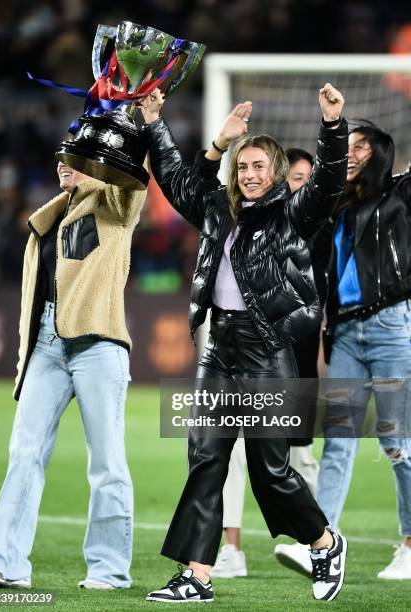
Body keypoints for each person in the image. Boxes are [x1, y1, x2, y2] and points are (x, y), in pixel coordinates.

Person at [139, 83, 349, 603]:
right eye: (243, 167)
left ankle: (324, 542)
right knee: (205, 460)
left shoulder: (294, 214)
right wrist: (160, 125)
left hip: (268, 351)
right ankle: (197, 576)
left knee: (268, 470)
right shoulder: (219, 210)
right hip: (220, 349)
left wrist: (332, 127)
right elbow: (176, 181)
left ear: (275, 172)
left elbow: (325, 181)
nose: (249, 175)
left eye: (258, 166)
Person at [0, 161, 146, 589]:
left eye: (75, 157)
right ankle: (5, 564)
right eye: (59, 156)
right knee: (24, 452)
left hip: (98, 342)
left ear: (96, 165)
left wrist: (138, 120)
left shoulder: (116, 204)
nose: (60, 163)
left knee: (106, 461)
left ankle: (109, 570)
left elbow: (134, 177)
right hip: (47, 345)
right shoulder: (50, 216)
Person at [204, 148, 320, 580]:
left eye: (305, 177)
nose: (299, 184)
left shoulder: (311, 221)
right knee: (226, 453)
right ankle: (228, 549)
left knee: (291, 459)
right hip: (246, 351)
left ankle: (317, 541)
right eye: (293, 176)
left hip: (292, 359)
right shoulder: (249, 221)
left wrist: (333, 128)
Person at [314, 123, 411, 580]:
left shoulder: (400, 194)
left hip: (391, 326)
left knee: (397, 443)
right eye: (345, 147)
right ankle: (322, 542)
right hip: (347, 334)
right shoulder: (337, 206)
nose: (348, 154)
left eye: (358, 147)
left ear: (380, 154)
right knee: (338, 442)